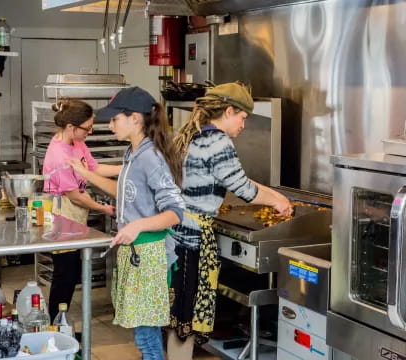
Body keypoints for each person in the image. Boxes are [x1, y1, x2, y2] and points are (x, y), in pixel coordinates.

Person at [167, 82, 293, 360]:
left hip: (179, 233)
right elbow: (244, 190)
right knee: (184, 322)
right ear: (228, 111)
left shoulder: (195, 135)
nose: (244, 125)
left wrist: (277, 195)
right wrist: (276, 202)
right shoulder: (218, 141)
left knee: (178, 318)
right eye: (243, 117)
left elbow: (239, 181)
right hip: (193, 238)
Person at [69, 87, 184, 360]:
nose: (109, 126)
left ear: (135, 119)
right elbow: (125, 191)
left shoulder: (151, 158)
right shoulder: (133, 153)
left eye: (114, 119)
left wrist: (137, 225)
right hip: (137, 255)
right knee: (143, 332)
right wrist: (85, 173)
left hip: (150, 254)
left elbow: (175, 212)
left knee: (146, 337)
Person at [42, 99, 121, 321]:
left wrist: (126, 168)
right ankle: (55, 326)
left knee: (71, 272)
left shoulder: (76, 143)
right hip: (62, 217)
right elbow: (75, 196)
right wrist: (103, 208)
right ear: (70, 128)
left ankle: (60, 324)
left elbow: (94, 169)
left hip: (75, 217)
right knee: (64, 276)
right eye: (87, 128)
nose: (90, 131)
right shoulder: (59, 154)